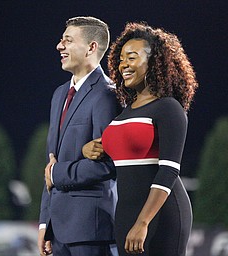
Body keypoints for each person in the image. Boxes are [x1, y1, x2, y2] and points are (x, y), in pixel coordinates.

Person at [82, 22, 198, 255]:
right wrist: (92, 148)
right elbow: (126, 151)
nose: (123, 64)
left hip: (160, 213)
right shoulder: (126, 110)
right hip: (126, 213)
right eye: (122, 58)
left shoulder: (168, 108)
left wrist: (143, 222)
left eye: (132, 57)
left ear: (153, 63)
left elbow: (169, 170)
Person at [38, 16, 121, 256]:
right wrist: (45, 222)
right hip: (58, 231)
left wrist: (57, 173)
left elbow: (108, 165)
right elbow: (50, 162)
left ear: (91, 48)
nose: (59, 46)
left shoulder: (107, 95)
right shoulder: (59, 94)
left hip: (90, 231)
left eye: (68, 40)